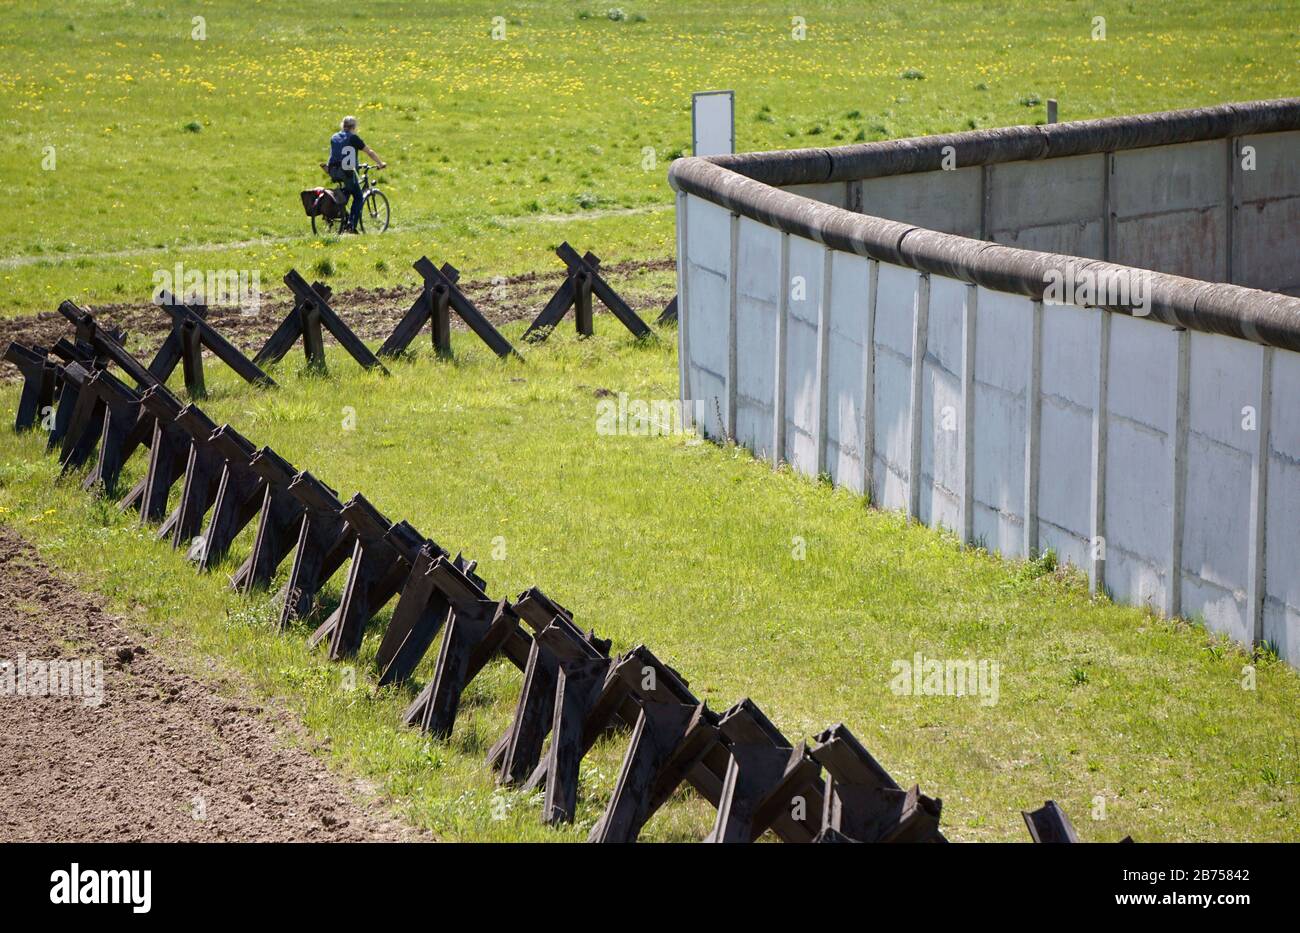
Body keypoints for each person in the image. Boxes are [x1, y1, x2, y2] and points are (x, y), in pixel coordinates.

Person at [326, 116, 386, 232]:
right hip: (346, 172)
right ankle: (351, 225)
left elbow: (339, 154)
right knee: (358, 197)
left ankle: (338, 213)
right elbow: (369, 152)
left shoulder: (334, 137)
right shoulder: (353, 138)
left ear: (342, 126)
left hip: (333, 170)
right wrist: (380, 163)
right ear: (353, 127)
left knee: (347, 192)